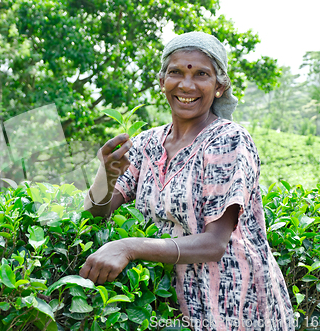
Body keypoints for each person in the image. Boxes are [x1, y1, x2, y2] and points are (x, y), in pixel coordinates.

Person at [80, 31, 294, 330]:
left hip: (235, 302)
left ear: (219, 87)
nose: (187, 84)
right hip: (176, 305)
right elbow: (96, 214)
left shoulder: (228, 140)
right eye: (176, 72)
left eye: (201, 74)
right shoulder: (147, 144)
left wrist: (128, 247)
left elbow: (214, 243)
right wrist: (105, 174)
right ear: (162, 82)